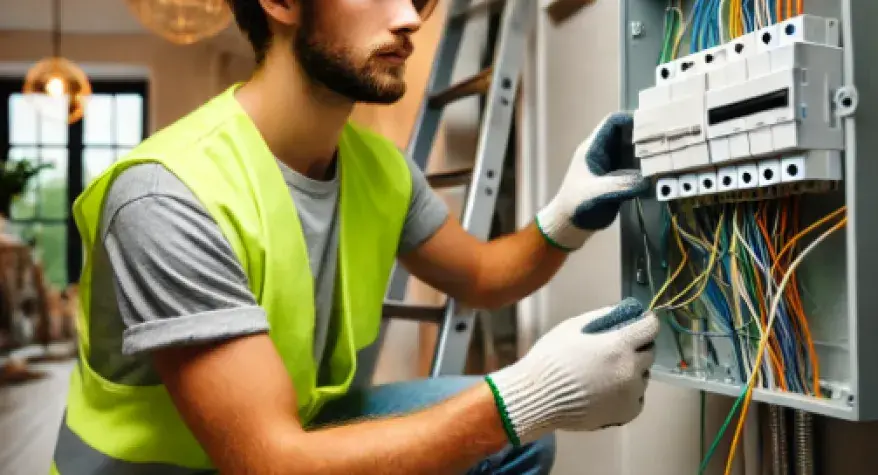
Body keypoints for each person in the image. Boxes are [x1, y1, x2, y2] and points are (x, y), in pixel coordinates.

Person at [50, 0, 660, 474]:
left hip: (287, 439)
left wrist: (565, 218)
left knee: (518, 447)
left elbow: (484, 276)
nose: (408, 19)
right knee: (505, 422)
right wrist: (528, 395)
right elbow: (269, 463)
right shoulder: (166, 196)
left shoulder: (379, 168)